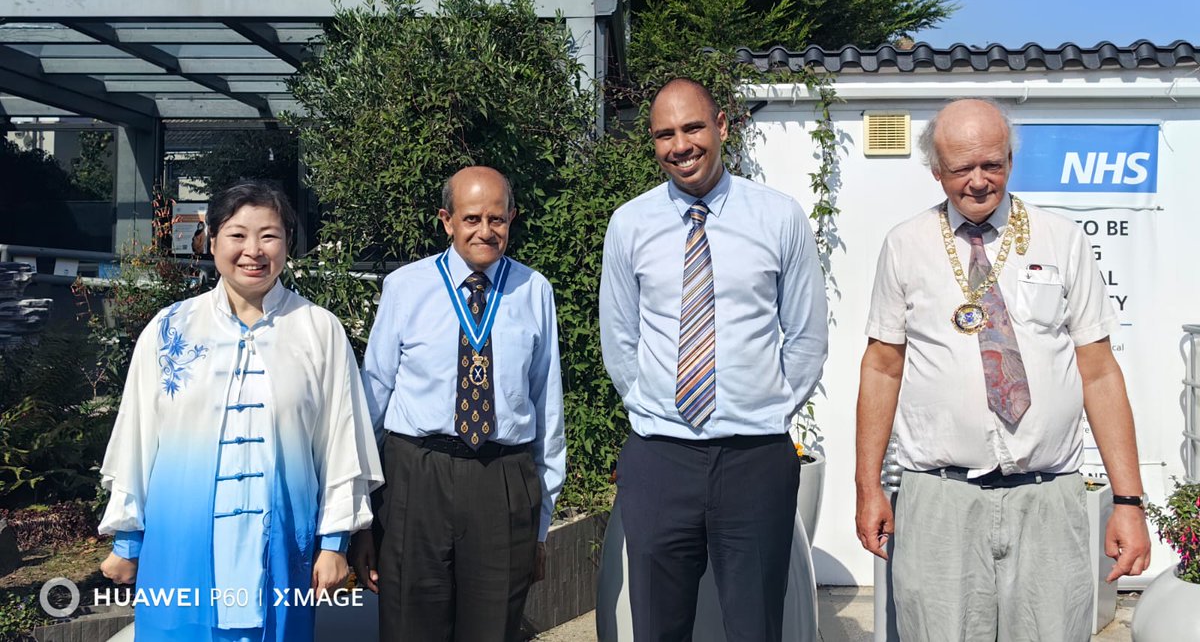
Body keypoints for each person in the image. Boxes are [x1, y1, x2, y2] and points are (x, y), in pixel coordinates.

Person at [855, 98, 1151, 641]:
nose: (977, 182)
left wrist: (1128, 501)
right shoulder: (905, 245)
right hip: (939, 500)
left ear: (1011, 160)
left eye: (991, 164)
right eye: (960, 168)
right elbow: (881, 367)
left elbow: (1100, 372)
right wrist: (867, 484)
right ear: (935, 170)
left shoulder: (1062, 240)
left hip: (1048, 499)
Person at [98, 180, 383, 642]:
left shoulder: (318, 330)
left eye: (269, 235)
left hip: (283, 549)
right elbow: (136, 438)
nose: (254, 250)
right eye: (237, 235)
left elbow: (341, 443)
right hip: (182, 545)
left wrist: (334, 544)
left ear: (289, 243)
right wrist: (127, 542)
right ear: (211, 240)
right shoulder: (169, 329)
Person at [599, 78, 829, 642]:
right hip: (660, 460)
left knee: (755, 627)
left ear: (722, 126)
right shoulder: (630, 224)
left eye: (693, 127)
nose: (680, 145)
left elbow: (805, 338)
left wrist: (763, 406)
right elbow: (620, 338)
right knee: (656, 628)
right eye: (664, 134)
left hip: (754, 459)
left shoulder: (779, 218)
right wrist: (652, 407)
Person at [354, 165, 565, 642]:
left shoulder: (535, 291)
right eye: (472, 219)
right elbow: (374, 397)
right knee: (409, 625)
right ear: (447, 221)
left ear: (512, 218)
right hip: (416, 479)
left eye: (497, 219)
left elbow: (546, 406)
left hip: (501, 479)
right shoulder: (406, 287)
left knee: (492, 631)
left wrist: (541, 523)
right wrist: (360, 516)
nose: (485, 232)